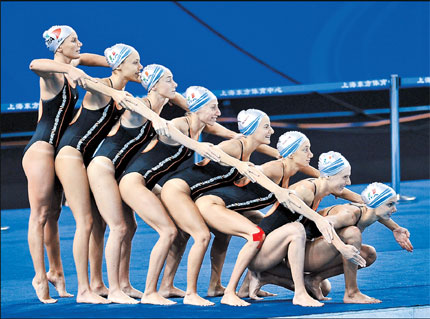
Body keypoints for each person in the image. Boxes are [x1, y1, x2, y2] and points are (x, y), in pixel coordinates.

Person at [160, 112, 327, 306]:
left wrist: (327, 177)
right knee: (252, 235)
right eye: (266, 127)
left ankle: (218, 285)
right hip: (203, 200)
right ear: (252, 129)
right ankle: (221, 292)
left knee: (248, 229)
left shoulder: (268, 159)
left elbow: (284, 157)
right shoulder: (261, 163)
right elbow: (215, 153)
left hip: (220, 202)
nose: (271, 130)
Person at [86, 63, 192, 303]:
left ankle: (124, 284)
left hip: (121, 172)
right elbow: (133, 105)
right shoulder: (139, 105)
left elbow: (192, 107)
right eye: (169, 80)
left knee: (131, 227)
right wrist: (156, 116)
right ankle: (113, 289)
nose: (175, 85)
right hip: (104, 167)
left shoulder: (160, 110)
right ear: (154, 85)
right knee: (118, 227)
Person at [195, 132, 337, 306]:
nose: (311, 154)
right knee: (256, 235)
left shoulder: (291, 167)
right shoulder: (276, 167)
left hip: (231, 206)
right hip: (212, 204)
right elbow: (253, 171)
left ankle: (224, 286)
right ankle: (229, 292)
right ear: (292, 153)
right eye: (306, 150)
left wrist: (358, 197)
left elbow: (325, 178)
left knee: (264, 227)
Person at [23, 25, 108, 303]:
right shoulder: (51, 74)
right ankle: (39, 276)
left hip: (57, 151)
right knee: (40, 215)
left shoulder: (71, 63)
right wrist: (68, 70)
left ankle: (56, 272)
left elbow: (89, 58)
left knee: (54, 217)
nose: (80, 44)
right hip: (41, 149)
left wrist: (114, 63)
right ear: (59, 46)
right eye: (74, 40)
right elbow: (34, 63)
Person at [54, 43, 143, 304]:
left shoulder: (122, 94)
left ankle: (102, 283)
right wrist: (76, 71)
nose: (140, 67)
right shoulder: (102, 87)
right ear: (120, 66)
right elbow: (86, 80)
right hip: (71, 155)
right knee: (86, 223)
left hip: (88, 160)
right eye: (135, 62)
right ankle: (83, 290)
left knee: (106, 224)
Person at [248, 182, 413, 304]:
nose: (395, 209)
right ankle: (351, 293)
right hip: (300, 254)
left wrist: (395, 228)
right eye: (390, 204)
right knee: (352, 233)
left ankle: (310, 279)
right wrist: (342, 247)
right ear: (375, 204)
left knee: (369, 254)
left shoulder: (368, 211)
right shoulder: (348, 214)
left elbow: (379, 212)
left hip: (313, 251)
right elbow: (324, 223)